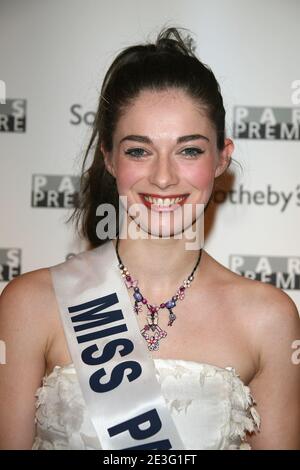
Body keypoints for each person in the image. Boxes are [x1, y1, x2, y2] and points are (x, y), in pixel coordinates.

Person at [0, 26, 300, 451]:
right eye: (139, 150)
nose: (163, 177)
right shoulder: (30, 304)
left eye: (189, 150)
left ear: (221, 158)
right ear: (108, 156)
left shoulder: (269, 319)